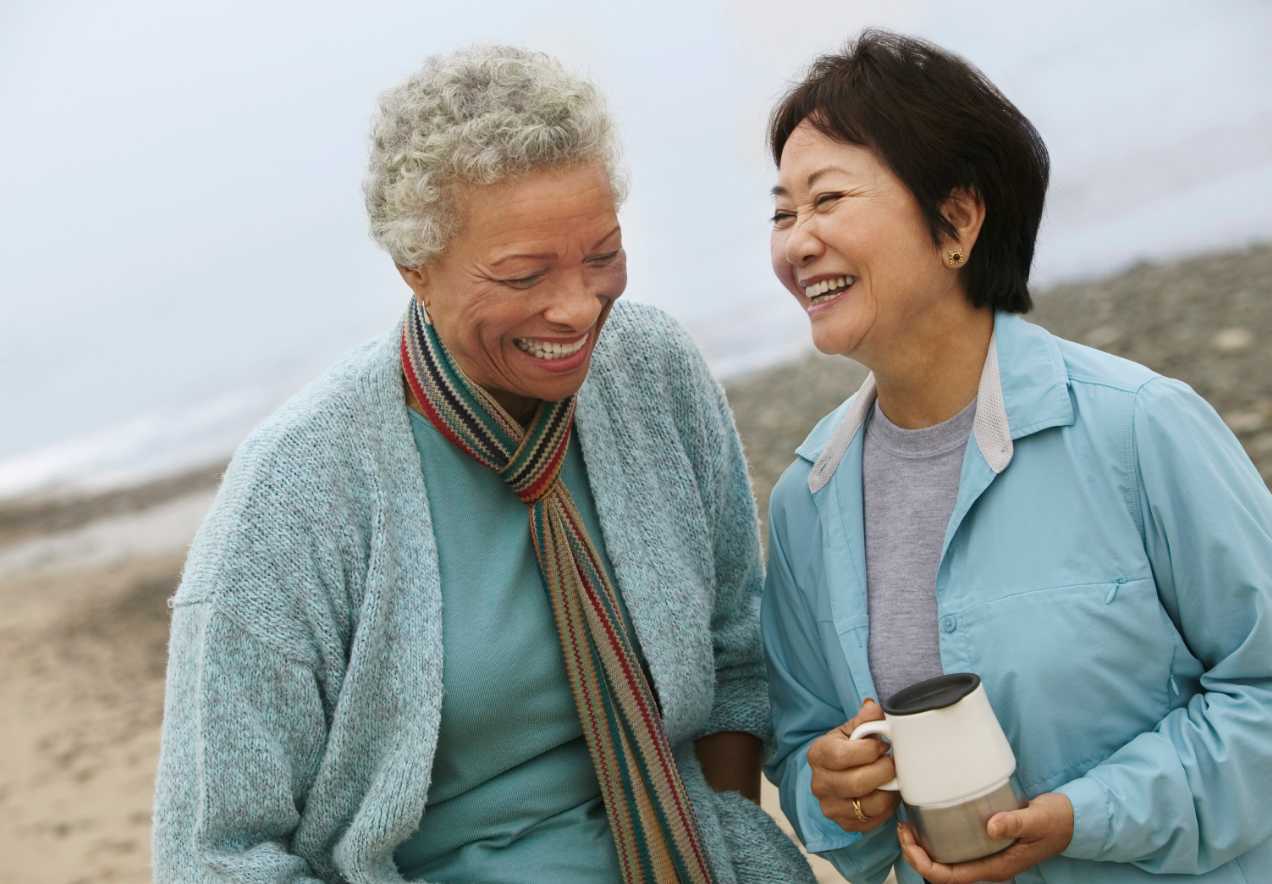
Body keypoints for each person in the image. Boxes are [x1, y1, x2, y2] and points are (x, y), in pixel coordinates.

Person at [152, 45, 813, 884]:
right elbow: (212, 857)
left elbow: (733, 659)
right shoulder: (294, 495)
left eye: (602, 255)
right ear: (416, 270)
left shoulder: (653, 372)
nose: (577, 307)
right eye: (524, 274)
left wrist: (723, 840)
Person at [760, 29, 1272, 884]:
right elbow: (803, 756)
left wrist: (1085, 816)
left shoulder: (1140, 428)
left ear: (957, 220)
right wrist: (836, 790)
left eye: (828, 200)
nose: (797, 243)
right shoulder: (807, 502)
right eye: (783, 213)